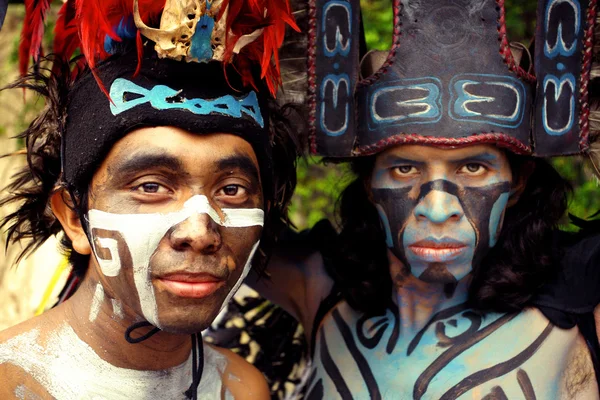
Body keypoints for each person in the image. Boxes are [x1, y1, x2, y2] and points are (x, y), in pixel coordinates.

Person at [245, 0, 600, 398]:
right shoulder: (317, 282)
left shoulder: (583, 292)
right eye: (405, 170)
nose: (436, 208)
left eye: (473, 169)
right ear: (368, 183)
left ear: (518, 182)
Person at [0, 0, 298, 398]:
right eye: (151, 187)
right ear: (74, 218)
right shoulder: (12, 383)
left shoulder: (241, 388)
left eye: (232, 190)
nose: (200, 232)